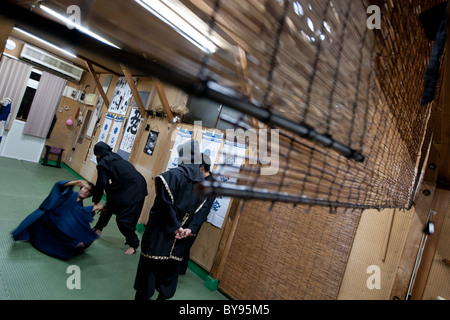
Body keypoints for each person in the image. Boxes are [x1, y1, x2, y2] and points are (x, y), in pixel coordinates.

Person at [133, 140, 211, 300]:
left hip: (158, 237)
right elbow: (203, 210)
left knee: (146, 277)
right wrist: (189, 229)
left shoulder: (169, 176)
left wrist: (175, 227)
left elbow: (164, 205)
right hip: (180, 240)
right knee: (167, 280)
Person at [12, 180, 103, 260]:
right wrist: (75, 182)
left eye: (88, 191)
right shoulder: (69, 194)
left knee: (80, 231)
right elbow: (58, 185)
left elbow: (80, 218)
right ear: (81, 188)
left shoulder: (81, 207)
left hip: (61, 224)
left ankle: (72, 241)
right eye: (85, 188)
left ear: (89, 195)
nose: (85, 191)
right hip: (50, 218)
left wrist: (94, 208)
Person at [92, 141, 148, 255]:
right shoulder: (114, 156)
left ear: (98, 154)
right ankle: (98, 229)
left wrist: (96, 200)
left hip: (134, 189)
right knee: (109, 205)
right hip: (124, 186)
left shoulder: (104, 162)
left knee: (123, 220)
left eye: (96, 155)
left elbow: (101, 182)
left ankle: (134, 244)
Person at [178, 159, 215, 275]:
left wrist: (194, 227)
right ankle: (179, 270)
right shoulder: (204, 179)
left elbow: (205, 208)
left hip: (196, 218)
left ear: (202, 167)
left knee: (185, 244)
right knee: (183, 243)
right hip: (190, 216)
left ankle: (179, 270)